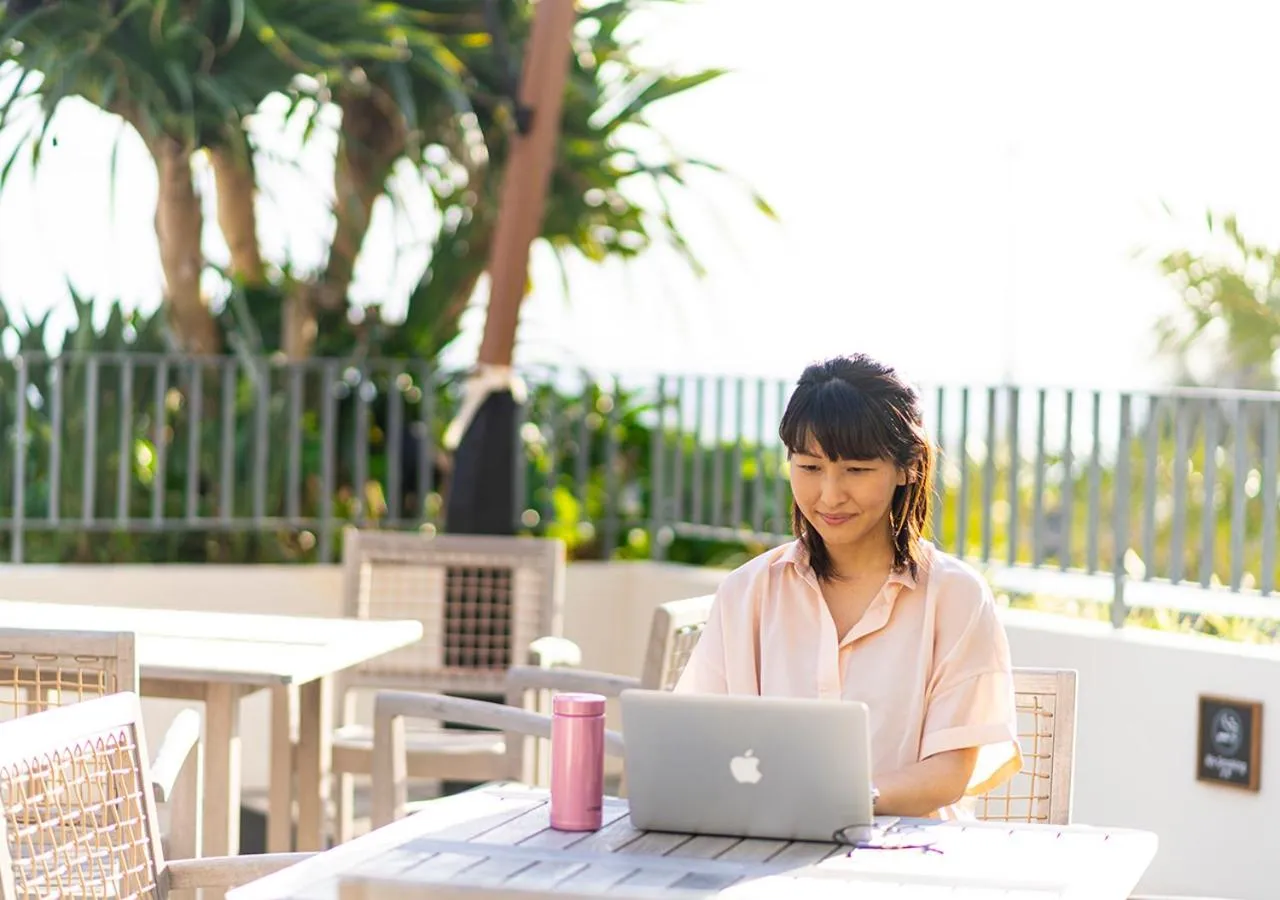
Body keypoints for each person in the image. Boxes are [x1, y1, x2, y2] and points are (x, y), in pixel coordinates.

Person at [674, 353, 1022, 819]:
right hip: (768, 858)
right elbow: (696, 742)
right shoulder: (748, 592)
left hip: (908, 864)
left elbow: (948, 773)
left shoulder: (955, 597)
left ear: (907, 469)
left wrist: (834, 801)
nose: (830, 495)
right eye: (810, 468)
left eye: (856, 470)